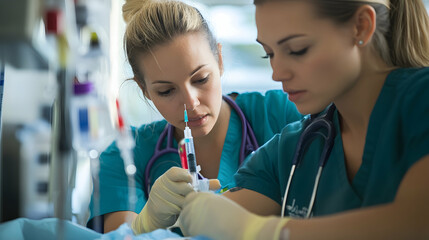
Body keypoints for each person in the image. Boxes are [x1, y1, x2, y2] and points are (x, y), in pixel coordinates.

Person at [178, 0, 429, 239]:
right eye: (269, 54)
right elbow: (213, 220)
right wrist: (165, 217)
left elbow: (415, 222)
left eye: (297, 50)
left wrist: (269, 233)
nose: (277, 73)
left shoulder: (420, 101)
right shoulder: (292, 149)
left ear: (360, 26)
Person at [86, 0, 303, 234]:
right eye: (166, 91)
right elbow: (120, 237)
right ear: (144, 90)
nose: (191, 103)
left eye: (200, 79)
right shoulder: (124, 157)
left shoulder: (283, 115)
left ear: (219, 60)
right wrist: (145, 224)